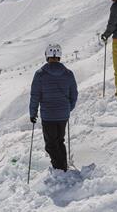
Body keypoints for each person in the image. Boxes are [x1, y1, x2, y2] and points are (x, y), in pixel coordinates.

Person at [29, 44, 78, 172]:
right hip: (63, 115)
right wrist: (68, 108)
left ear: (47, 56)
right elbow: (74, 95)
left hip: (48, 115)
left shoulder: (40, 74)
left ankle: (59, 169)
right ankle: (62, 167)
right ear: (59, 56)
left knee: (51, 145)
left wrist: (33, 113)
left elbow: (35, 95)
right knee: (59, 141)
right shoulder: (68, 74)